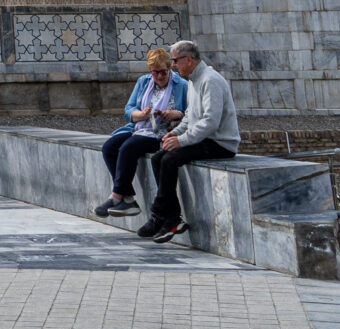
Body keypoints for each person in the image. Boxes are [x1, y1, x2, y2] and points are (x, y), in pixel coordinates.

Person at [139, 39, 239, 244]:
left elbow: (211, 122)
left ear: (188, 59)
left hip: (220, 143)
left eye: (175, 61)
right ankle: (172, 217)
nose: (173, 65)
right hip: (203, 139)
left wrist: (182, 141)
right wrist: (175, 133)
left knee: (169, 159)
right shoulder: (194, 80)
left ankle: (159, 214)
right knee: (158, 158)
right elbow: (189, 117)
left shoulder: (210, 80)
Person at [94, 49, 186, 217]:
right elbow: (129, 110)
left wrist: (176, 114)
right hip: (139, 128)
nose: (159, 77)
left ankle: (116, 196)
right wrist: (141, 114)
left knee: (129, 148)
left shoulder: (182, 86)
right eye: (155, 72)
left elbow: (190, 113)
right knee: (109, 147)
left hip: (163, 133)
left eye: (163, 72)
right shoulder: (143, 82)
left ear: (169, 69)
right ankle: (128, 199)